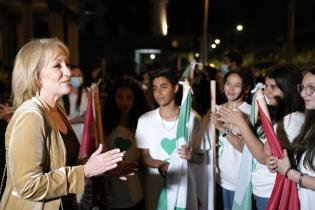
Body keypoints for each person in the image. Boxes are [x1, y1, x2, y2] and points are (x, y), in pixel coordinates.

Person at [0, 38, 126, 210]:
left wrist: (103, 166)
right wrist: (84, 172)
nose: (68, 72)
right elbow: (28, 186)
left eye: (66, 64)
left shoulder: (56, 110)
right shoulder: (31, 116)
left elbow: (63, 165)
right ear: (35, 75)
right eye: (57, 66)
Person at [217, 64, 305, 210]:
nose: (267, 91)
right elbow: (249, 146)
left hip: (273, 192)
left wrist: (241, 123)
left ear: (288, 89)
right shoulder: (274, 115)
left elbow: (263, 157)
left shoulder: (292, 120)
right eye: (266, 85)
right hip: (258, 189)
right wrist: (231, 129)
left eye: (273, 87)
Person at [135, 69, 209, 210]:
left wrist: (191, 155)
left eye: (164, 87)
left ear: (175, 88)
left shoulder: (193, 118)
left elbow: (202, 158)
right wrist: (161, 165)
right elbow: (145, 156)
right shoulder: (145, 120)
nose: (158, 93)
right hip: (156, 189)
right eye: (155, 89)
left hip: (184, 190)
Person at [266, 67, 315, 209]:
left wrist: (289, 173)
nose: (304, 94)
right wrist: (281, 164)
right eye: (302, 87)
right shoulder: (309, 125)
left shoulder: (293, 119)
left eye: (311, 88)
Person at [210, 71, 252, 210]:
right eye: (228, 84)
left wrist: (221, 128)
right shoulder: (215, 110)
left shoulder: (250, 112)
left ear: (246, 89)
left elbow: (244, 148)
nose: (231, 89)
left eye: (237, 85)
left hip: (240, 181)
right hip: (219, 178)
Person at [103, 79, 147, 210]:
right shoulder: (105, 127)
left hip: (137, 193)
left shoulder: (142, 125)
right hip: (111, 194)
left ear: (135, 100)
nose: (124, 102)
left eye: (129, 97)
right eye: (120, 97)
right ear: (113, 99)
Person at [60, 65, 88, 144]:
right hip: (70, 138)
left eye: (79, 75)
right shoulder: (61, 98)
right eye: (74, 76)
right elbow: (58, 120)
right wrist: (75, 120)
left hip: (85, 138)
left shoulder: (87, 94)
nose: (77, 78)